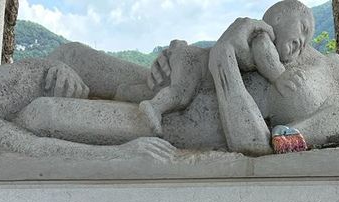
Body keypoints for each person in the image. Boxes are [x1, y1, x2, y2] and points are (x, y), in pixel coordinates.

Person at [0, 10, 339, 160]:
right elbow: (260, 44)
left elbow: (262, 143)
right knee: (70, 56)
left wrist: (222, 58)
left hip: (181, 123)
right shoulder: (325, 53)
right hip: (177, 84)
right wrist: (188, 55)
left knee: (43, 113)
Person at [134, 0, 315, 137]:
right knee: (181, 93)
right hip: (195, 61)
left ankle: (142, 98)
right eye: (303, 28)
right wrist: (279, 76)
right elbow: (264, 55)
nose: (301, 43)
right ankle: (154, 107)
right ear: (278, 18)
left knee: (156, 89)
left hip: (194, 60)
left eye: (305, 43)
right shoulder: (263, 34)